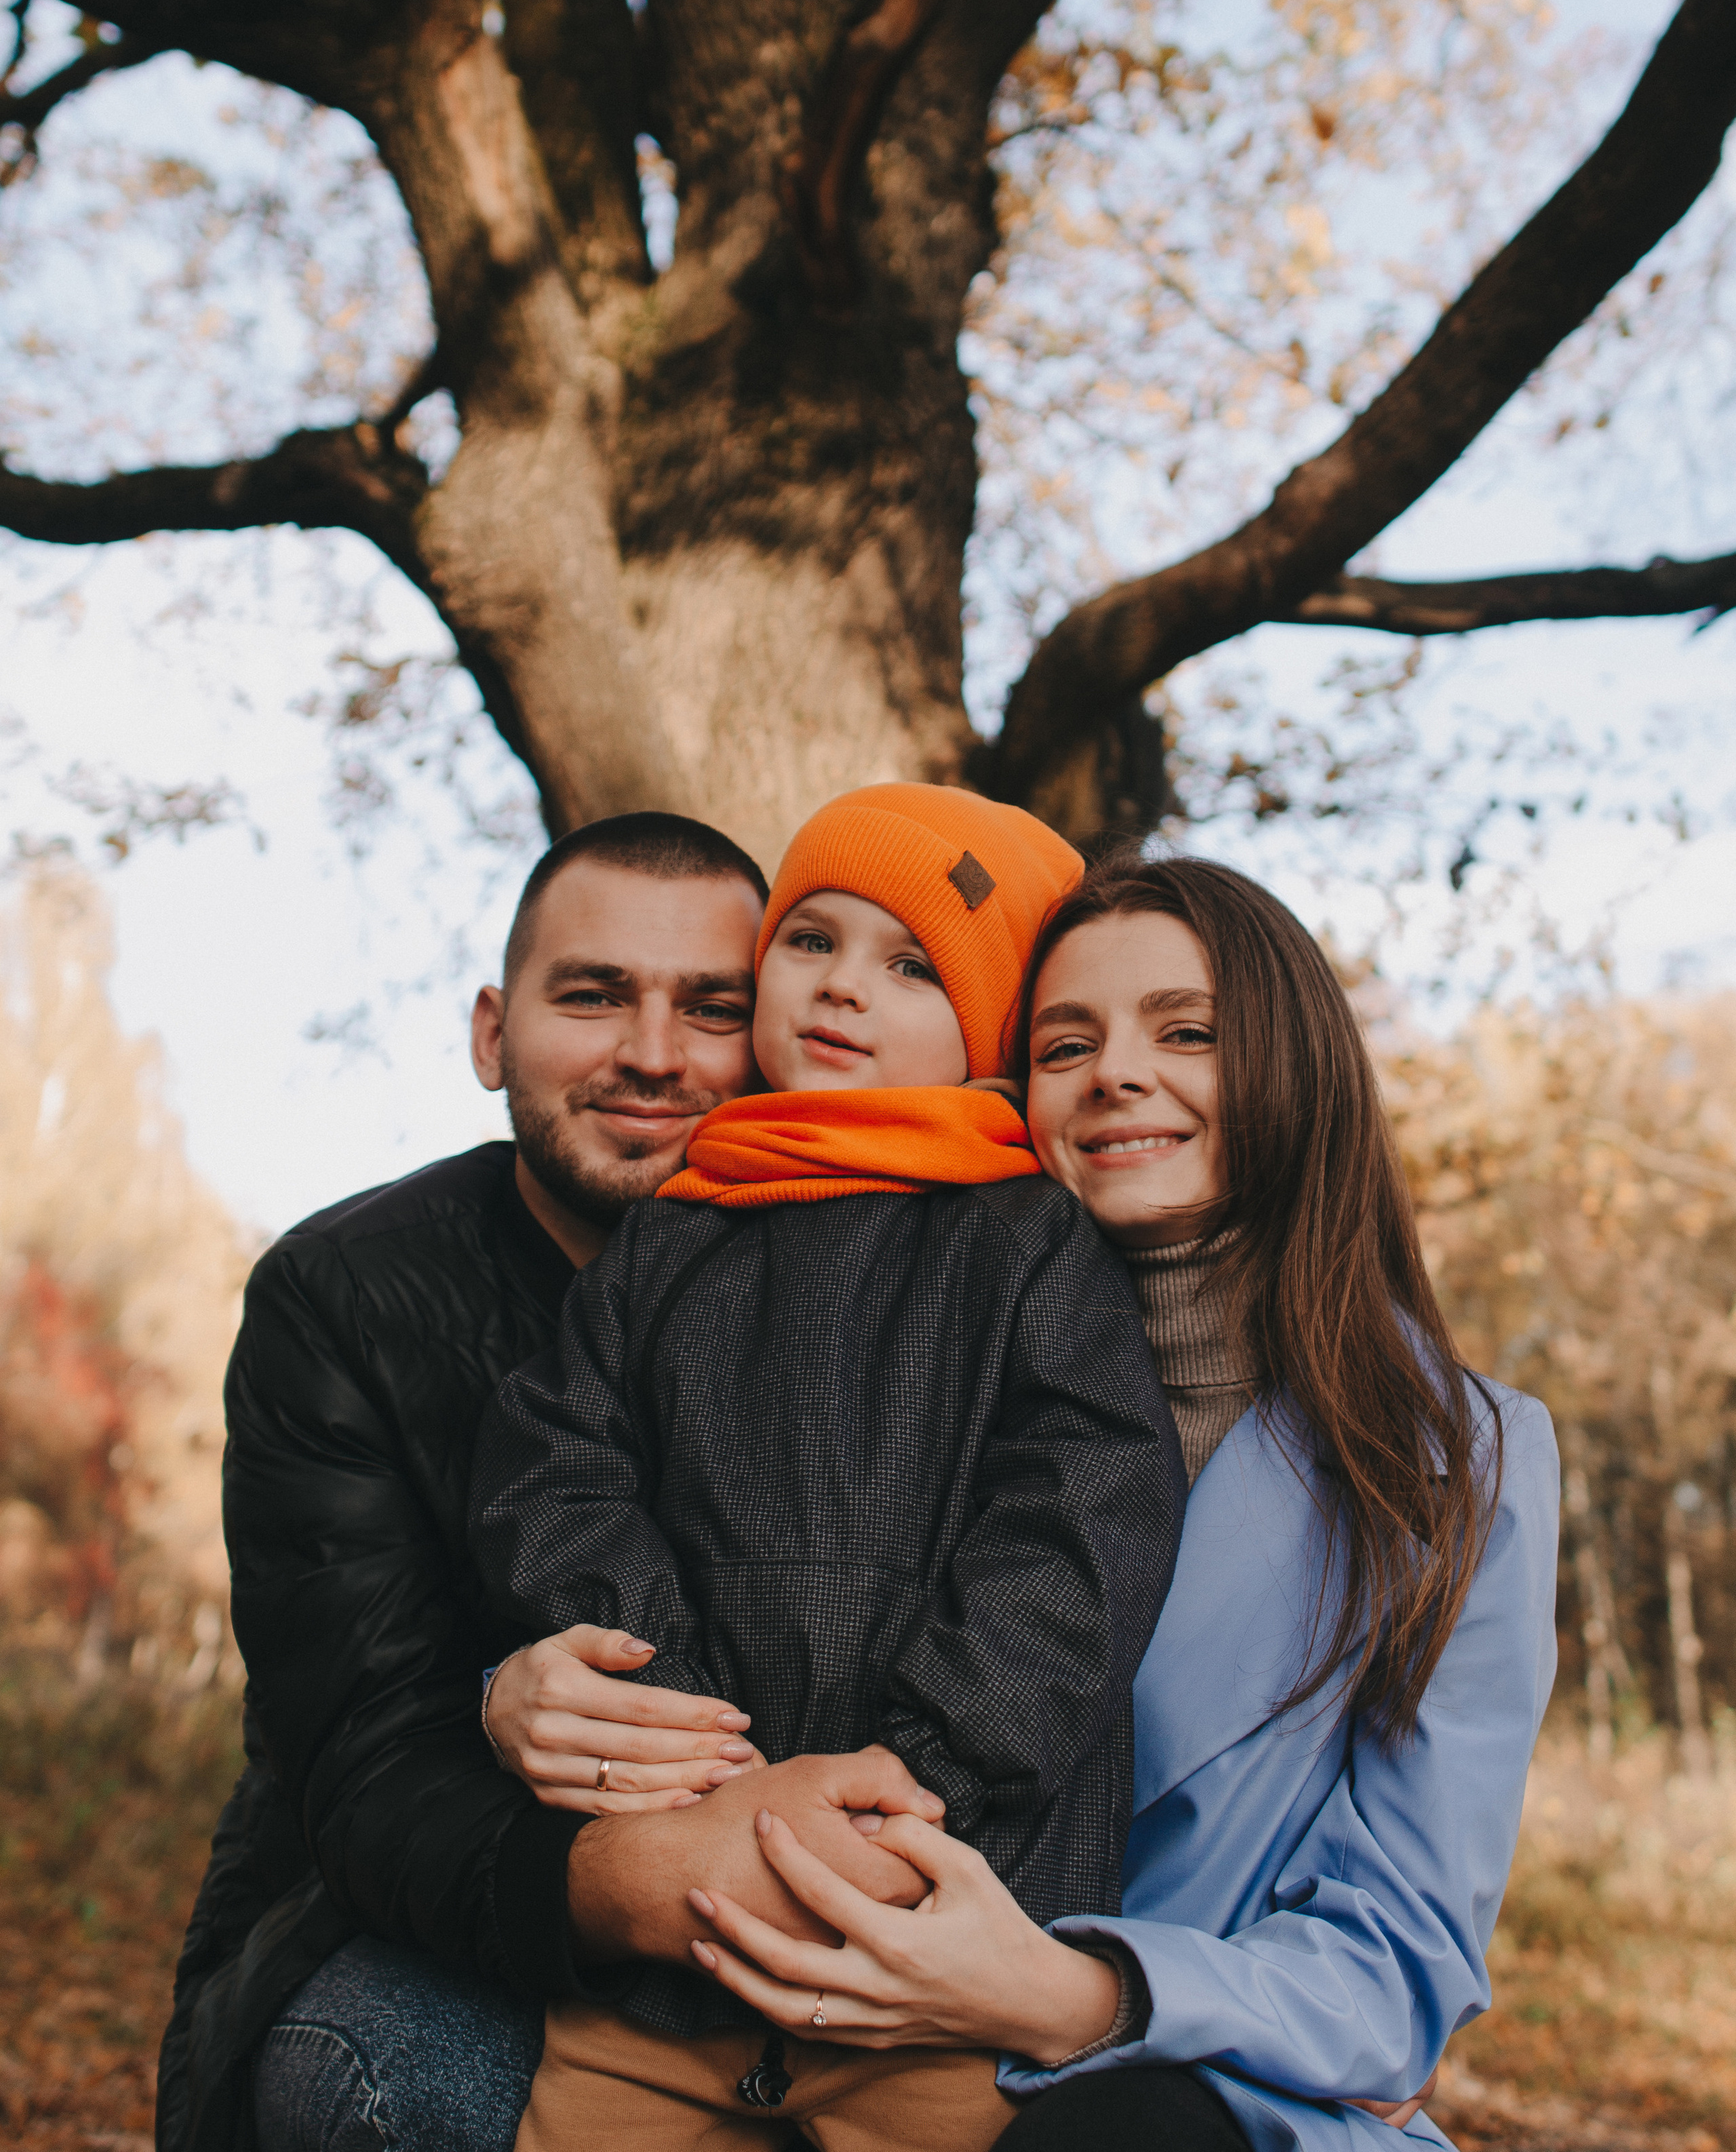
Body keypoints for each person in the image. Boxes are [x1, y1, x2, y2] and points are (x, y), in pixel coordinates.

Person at [658, 855, 1561, 2152]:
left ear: (1294, 1063)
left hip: (1223, 2096)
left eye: (1184, 1030)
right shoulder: (896, 1370)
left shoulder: (1457, 1461)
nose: (1117, 1072)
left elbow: (1401, 1960)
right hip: (832, 2035)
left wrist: (1066, 1989)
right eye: (1063, 1041)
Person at [160, 812, 941, 2152]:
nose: (652, 1053)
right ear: (489, 1033)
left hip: (853, 1891)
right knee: (384, 2078)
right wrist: (504, 1723)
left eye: (711, 1006)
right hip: (451, 1905)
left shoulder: (920, 1275)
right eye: (593, 995)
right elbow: (349, 1745)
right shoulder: (345, 1295)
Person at [469, 783, 1187, 2150]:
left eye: (910, 965)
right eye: (812, 942)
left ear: (985, 1026)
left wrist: (922, 1778)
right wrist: (683, 1743)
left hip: (934, 1938)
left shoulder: (1021, 1237)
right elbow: (556, 1471)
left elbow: (1080, 1517)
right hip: (668, 1972)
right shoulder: (673, 1234)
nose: (846, 987)